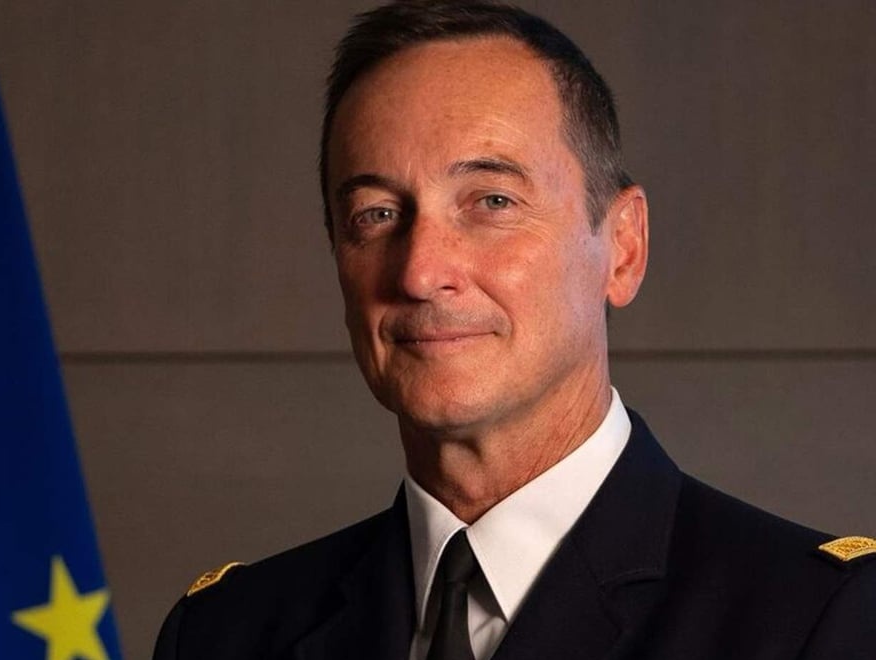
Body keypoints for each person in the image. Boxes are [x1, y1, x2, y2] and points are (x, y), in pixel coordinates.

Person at [151, 2, 876, 658]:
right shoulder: (224, 635)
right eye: (377, 214)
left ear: (623, 248)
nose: (420, 271)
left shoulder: (821, 620)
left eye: (491, 201)